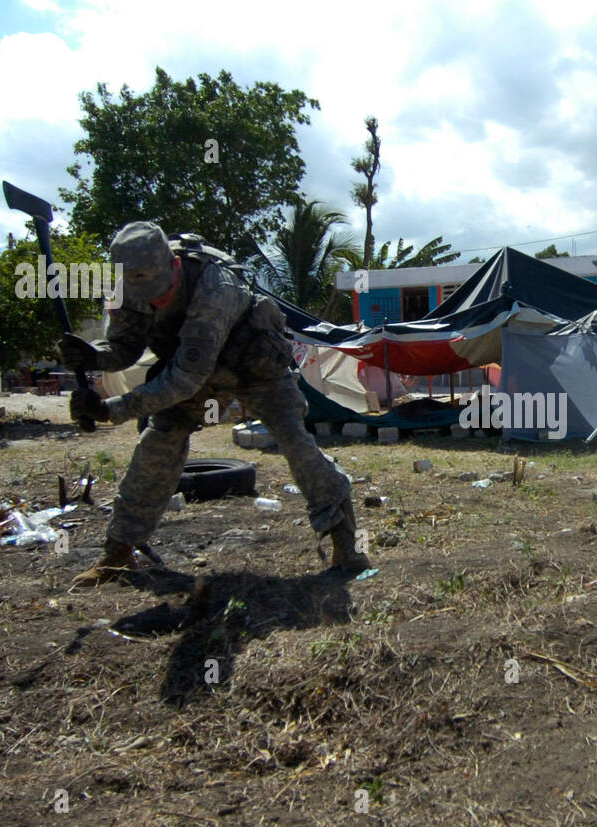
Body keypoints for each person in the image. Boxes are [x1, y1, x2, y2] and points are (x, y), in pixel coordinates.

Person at [60, 222, 369, 586]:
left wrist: (111, 410)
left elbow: (184, 379)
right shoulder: (129, 290)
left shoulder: (214, 287)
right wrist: (92, 355)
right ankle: (118, 554)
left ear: (174, 266)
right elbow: (126, 346)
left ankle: (346, 546)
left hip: (255, 367)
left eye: (162, 292)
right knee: (156, 444)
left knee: (296, 443)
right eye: (147, 295)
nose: (156, 301)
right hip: (196, 373)